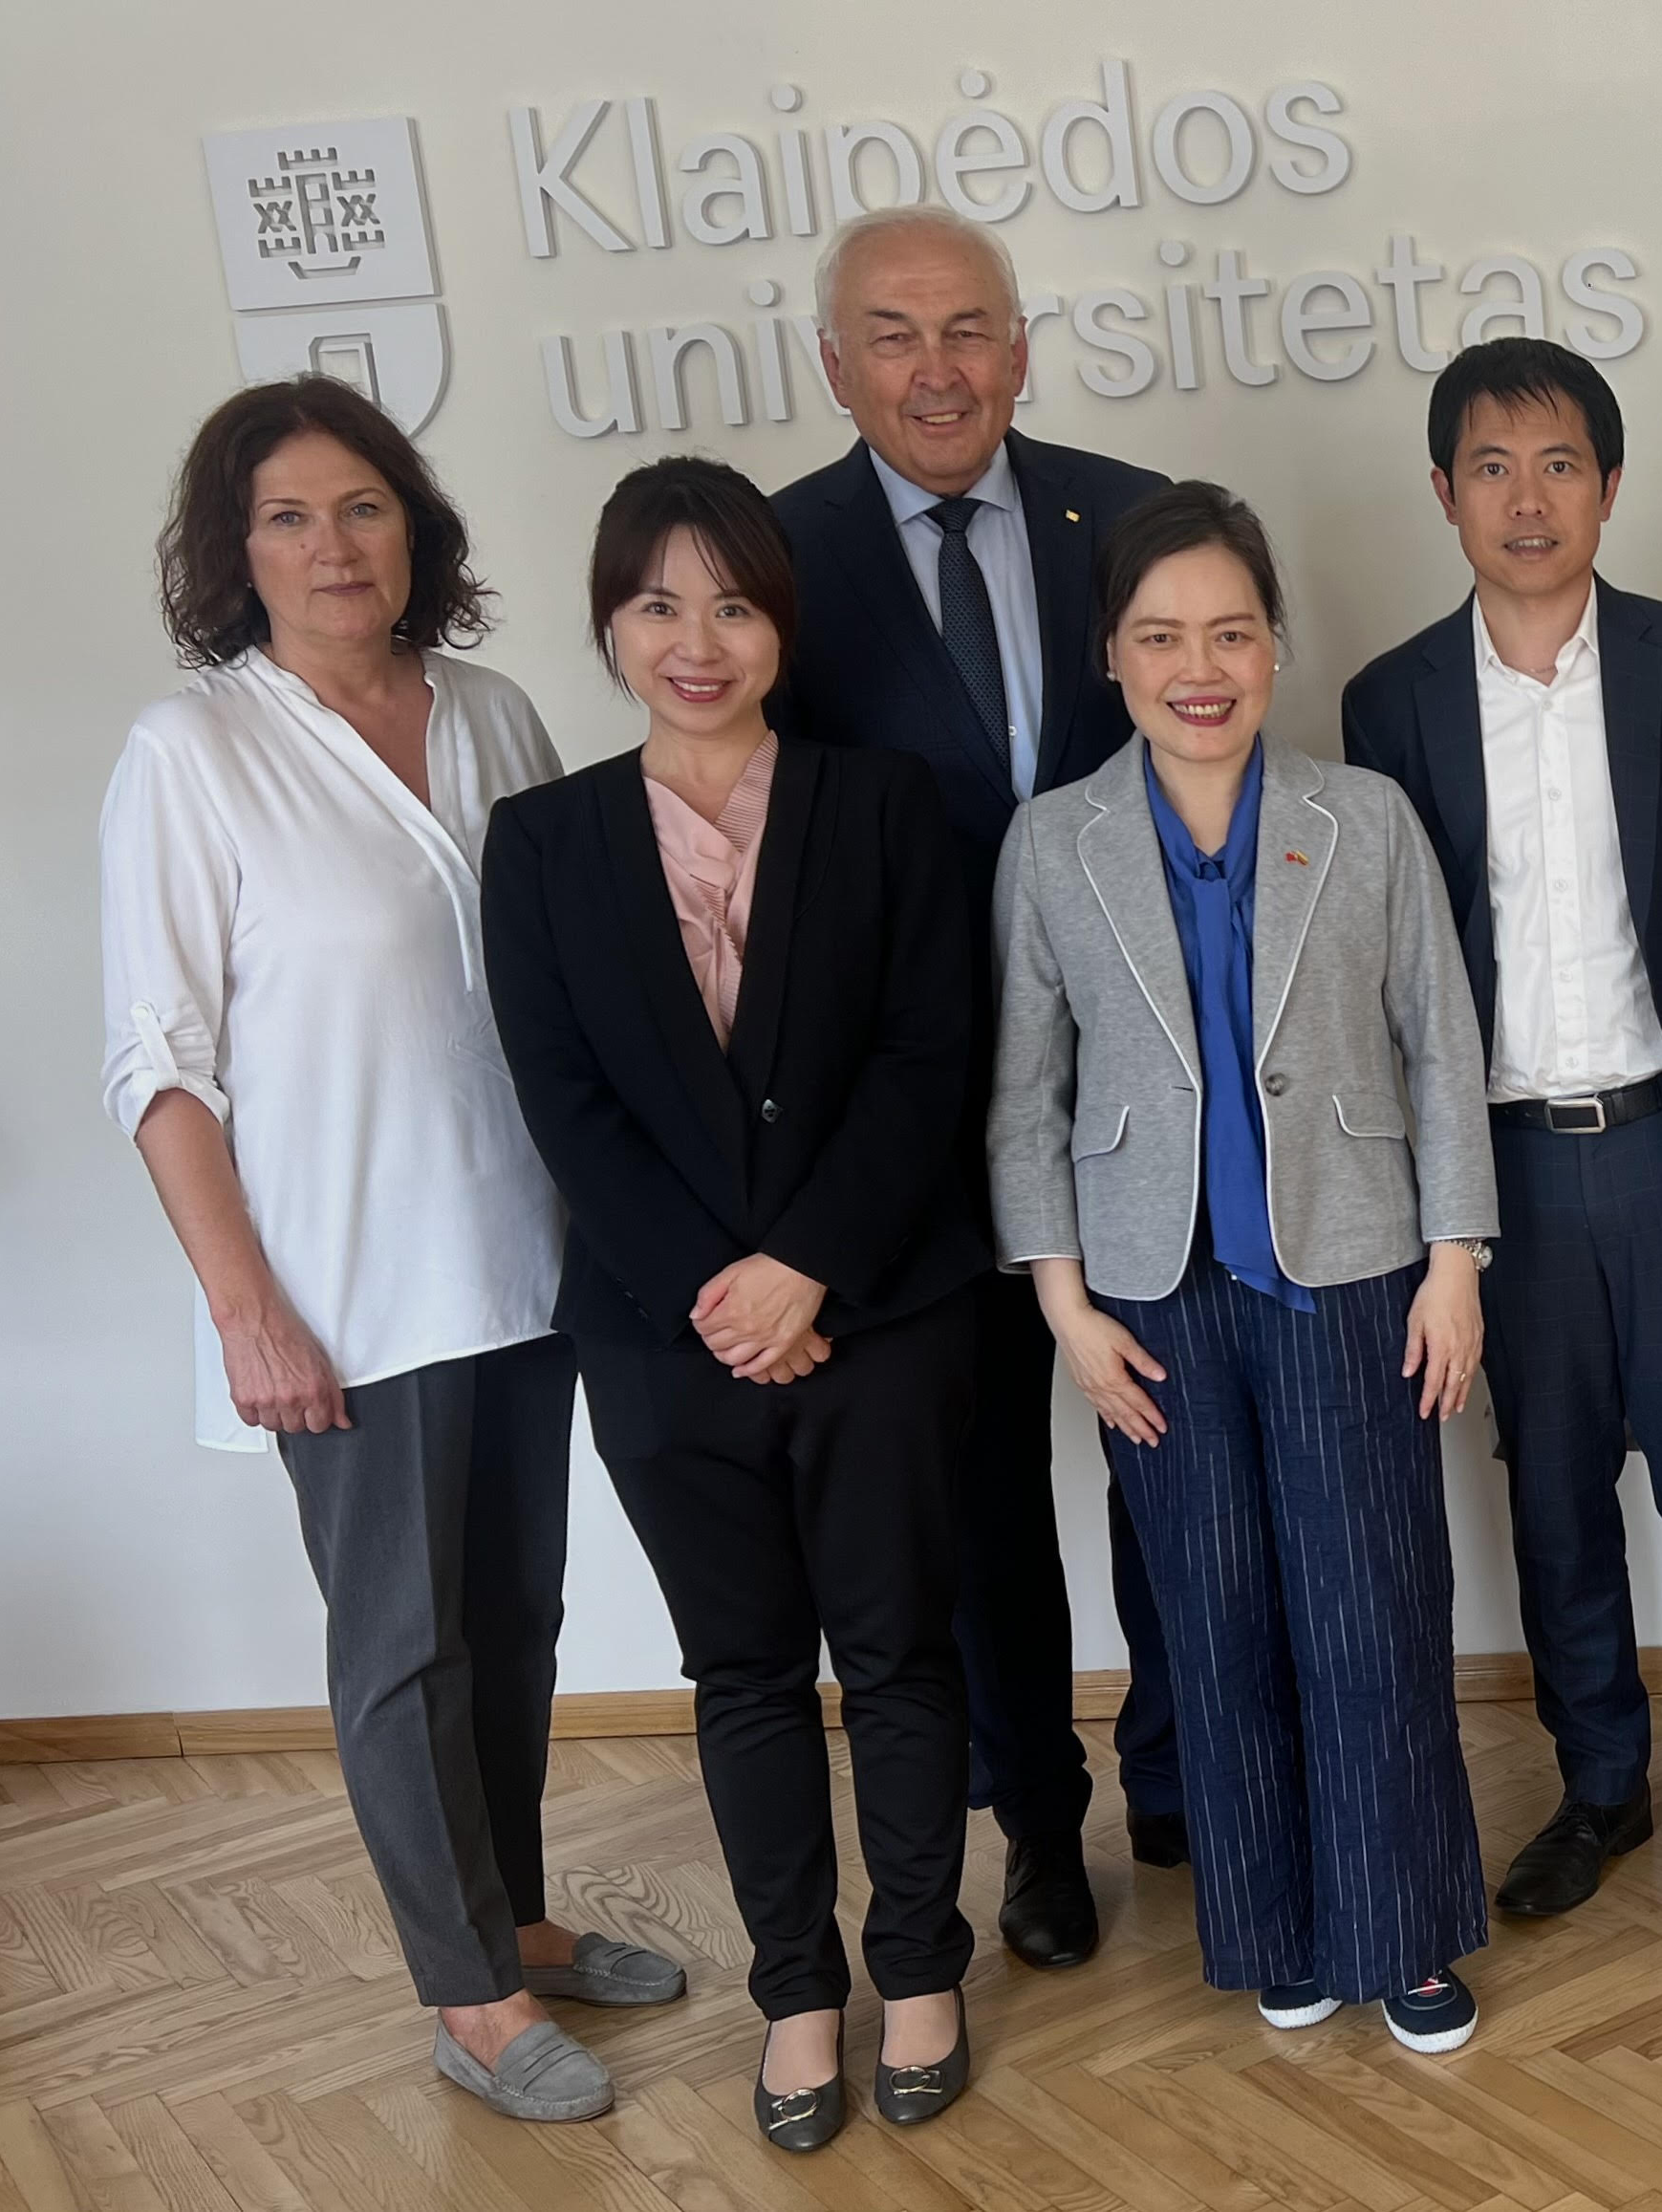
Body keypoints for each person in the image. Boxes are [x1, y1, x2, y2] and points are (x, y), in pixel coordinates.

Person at [98, 376, 684, 2127]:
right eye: (287, 515)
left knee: (515, 1619)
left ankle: (514, 1916)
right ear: (236, 550)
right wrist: (245, 1308)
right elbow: (160, 1065)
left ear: (411, 524)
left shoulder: (494, 713)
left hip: (527, 1260)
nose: (332, 544)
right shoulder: (191, 752)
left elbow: (577, 969)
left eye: (361, 506)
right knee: (403, 1646)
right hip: (344, 1292)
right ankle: (469, 1997)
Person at [483, 459, 989, 2148]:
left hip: (882, 1310)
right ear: (610, 625)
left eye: (734, 604)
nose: (697, 641)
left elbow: (930, 1055)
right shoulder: (542, 841)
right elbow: (564, 1100)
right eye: (658, 605)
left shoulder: (886, 803)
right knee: (745, 1671)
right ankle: (797, 1992)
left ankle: (922, 1967)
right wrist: (722, 1295)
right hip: (663, 1338)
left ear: (784, 624)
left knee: (901, 1652)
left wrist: (807, 1264)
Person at [990, 482, 1497, 2051]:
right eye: (1159, 636)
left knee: (1371, 1610)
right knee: (1211, 1624)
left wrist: (1456, 1260)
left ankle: (1401, 1930)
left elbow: (1440, 1047)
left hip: (1350, 1270)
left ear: (1275, 643)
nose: (1196, 667)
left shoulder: (1364, 818)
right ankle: (1274, 1923)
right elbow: (1024, 1090)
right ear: (1111, 654)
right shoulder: (1053, 840)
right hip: (1148, 1298)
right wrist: (1063, 1305)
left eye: (1228, 631)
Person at [1343, 338, 1662, 1938]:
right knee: (1551, 1504)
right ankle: (1601, 1784)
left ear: (1609, 485)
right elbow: (1398, 957)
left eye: (1557, 465)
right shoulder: (1392, 699)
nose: (1526, 499)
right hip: (1503, 1172)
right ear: (1443, 492)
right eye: (1491, 466)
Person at [767, 204, 1178, 1970]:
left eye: (966, 330)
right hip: (917, 1122)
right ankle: (1042, 1826)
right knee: (986, 1499)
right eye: (893, 333)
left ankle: (1186, 1774)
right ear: (834, 363)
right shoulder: (779, 559)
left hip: (1148, 1096)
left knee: (1173, 1449)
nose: (935, 369)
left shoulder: (1130, 517)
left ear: (1020, 349)